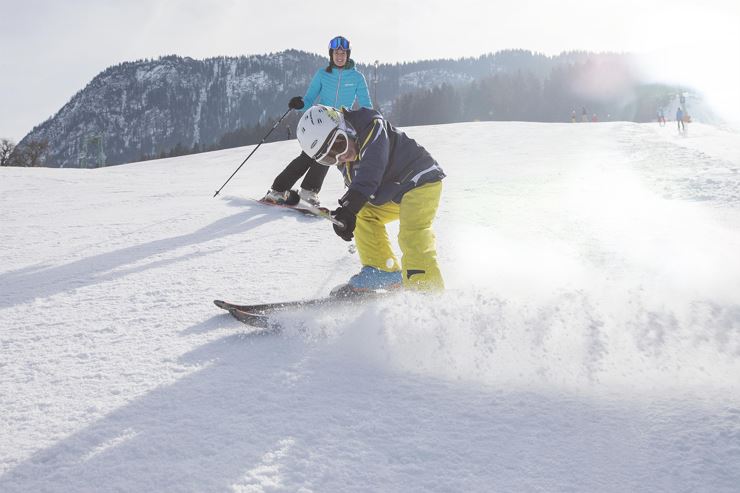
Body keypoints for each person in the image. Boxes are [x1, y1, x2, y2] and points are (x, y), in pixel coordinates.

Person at [296, 104, 446, 292]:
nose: (341, 157)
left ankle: (426, 290)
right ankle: (382, 270)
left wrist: (350, 206)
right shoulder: (346, 160)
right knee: (362, 214)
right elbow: (359, 189)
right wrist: (347, 214)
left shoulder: (370, 125)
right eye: (329, 158)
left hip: (420, 180)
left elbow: (372, 167)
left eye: (339, 144)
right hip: (395, 191)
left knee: (412, 235)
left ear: (345, 126)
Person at [262, 35, 372, 207]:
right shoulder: (322, 74)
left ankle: (308, 192)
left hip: (340, 124)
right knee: (306, 156)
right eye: (336, 53)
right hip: (320, 121)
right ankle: (278, 190)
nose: (340, 56)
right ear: (331, 54)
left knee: (328, 156)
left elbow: (366, 105)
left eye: (343, 53)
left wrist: (367, 122)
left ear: (348, 55)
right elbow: (309, 99)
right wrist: (299, 104)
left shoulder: (357, 78)